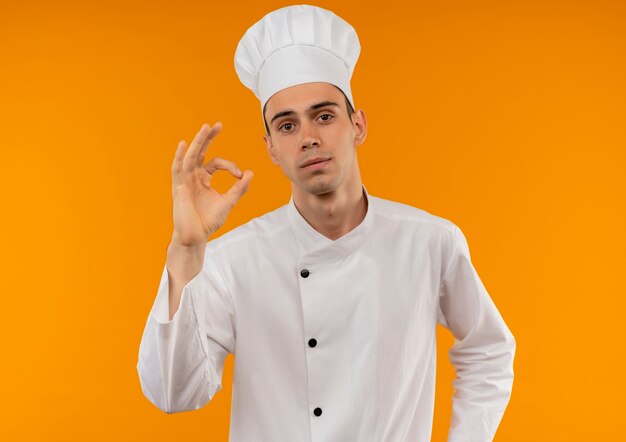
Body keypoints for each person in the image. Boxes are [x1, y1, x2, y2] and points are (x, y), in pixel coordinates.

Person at [136, 4, 515, 441]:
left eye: (324, 115)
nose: (308, 137)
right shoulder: (233, 260)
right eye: (286, 125)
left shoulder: (430, 242)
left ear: (358, 125)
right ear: (271, 148)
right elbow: (172, 392)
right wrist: (186, 249)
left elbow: (489, 349)